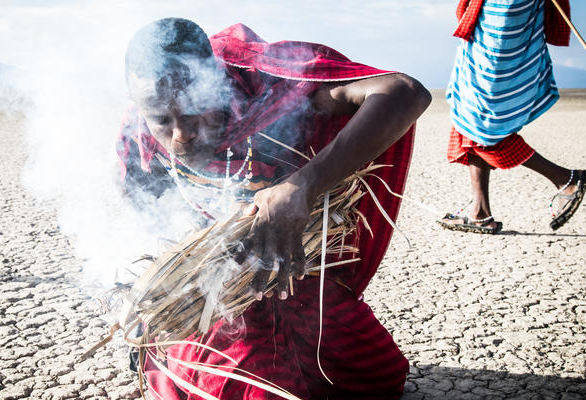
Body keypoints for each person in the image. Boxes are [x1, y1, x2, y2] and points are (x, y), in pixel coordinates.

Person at [118, 18, 431, 399]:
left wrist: (303, 185)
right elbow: (141, 222)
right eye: (162, 120)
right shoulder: (137, 132)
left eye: (193, 111)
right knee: (259, 390)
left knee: (378, 377)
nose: (180, 135)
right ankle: (170, 355)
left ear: (213, 81)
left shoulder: (273, 91)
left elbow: (404, 93)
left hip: (291, 281)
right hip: (212, 300)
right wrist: (151, 301)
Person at [438, 0, 586, 234]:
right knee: (470, 120)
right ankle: (480, 213)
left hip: (501, 24)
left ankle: (564, 178)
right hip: (493, 27)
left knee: (482, 125)